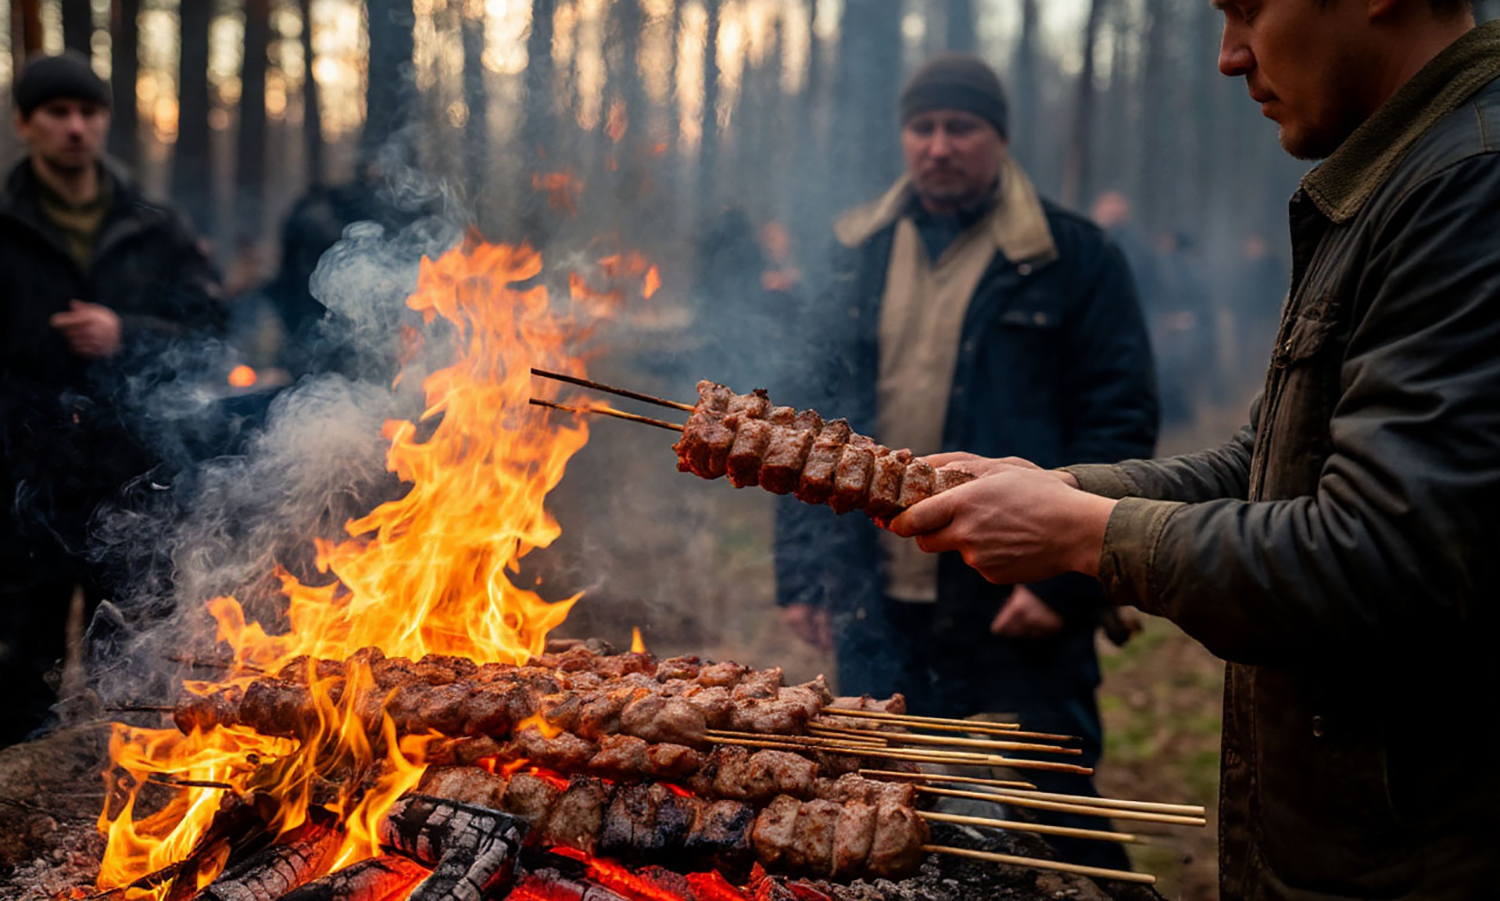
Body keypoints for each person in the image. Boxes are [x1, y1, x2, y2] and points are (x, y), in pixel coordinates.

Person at [890, 5, 1500, 898]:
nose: (1228, 56)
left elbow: (1388, 554)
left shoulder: (1470, 184)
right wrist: (1056, 486)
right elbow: (1259, 469)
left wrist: (1086, 534)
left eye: (1248, 7)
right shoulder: (1391, 181)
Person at [775, 54, 1158, 870]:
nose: (939, 146)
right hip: (879, 598)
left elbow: (1120, 423)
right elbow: (805, 423)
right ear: (903, 137)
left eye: (961, 127)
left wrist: (1064, 583)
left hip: (1015, 593)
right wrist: (805, 572)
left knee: (1052, 822)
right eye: (923, 127)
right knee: (880, 816)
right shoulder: (855, 251)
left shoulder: (1075, 256)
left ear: (999, 138)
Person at [0, 53, 226, 745]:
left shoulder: (154, 226)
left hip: (134, 475)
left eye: (88, 113)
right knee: (17, 671)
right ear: (25, 125)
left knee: (141, 663)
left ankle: (137, 804)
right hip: (21, 478)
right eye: (57, 113)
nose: (75, 127)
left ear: (104, 122)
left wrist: (124, 331)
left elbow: (212, 323)